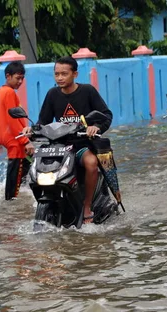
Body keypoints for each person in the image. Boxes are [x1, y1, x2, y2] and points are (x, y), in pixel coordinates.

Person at [23, 56, 113, 224]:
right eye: (56, 74)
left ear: (75, 74)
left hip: (81, 146)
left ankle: (86, 206)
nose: (60, 78)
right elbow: (43, 121)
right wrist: (32, 130)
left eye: (64, 74)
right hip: (59, 146)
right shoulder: (52, 94)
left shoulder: (88, 91)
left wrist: (96, 127)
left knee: (91, 163)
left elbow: (106, 115)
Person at [0, 61, 35, 200]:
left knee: (22, 174)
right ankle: (11, 205)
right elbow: (12, 119)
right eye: (18, 78)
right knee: (15, 181)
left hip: (9, 138)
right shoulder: (9, 92)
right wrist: (25, 140)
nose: (20, 81)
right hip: (16, 141)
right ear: (8, 76)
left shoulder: (0, 91)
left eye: (22, 78)